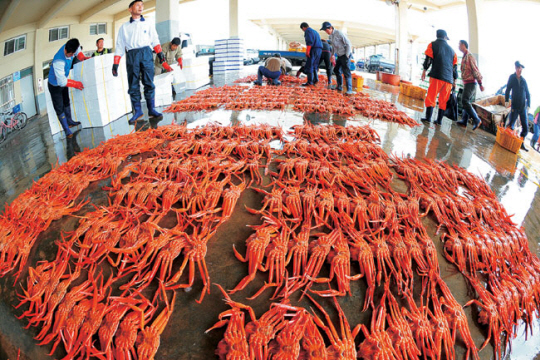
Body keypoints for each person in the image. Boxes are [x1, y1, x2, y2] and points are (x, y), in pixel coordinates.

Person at [112, 0, 173, 125]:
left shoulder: (148, 23)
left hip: (146, 53)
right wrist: (116, 63)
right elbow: (119, 45)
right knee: (133, 84)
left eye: (142, 5)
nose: (141, 7)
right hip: (132, 55)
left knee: (148, 82)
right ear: (130, 9)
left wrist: (160, 53)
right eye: (137, 5)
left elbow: (155, 39)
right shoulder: (124, 27)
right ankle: (138, 111)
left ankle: (151, 109)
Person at [48, 38, 86, 138]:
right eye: (66, 52)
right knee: (59, 107)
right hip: (55, 85)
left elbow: (79, 52)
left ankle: (70, 121)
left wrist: (83, 58)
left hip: (63, 80)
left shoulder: (73, 46)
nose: (66, 54)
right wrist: (75, 84)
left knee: (66, 101)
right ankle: (67, 130)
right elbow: (62, 82)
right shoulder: (58, 61)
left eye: (69, 54)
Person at [420, 29, 458, 125]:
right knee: (443, 100)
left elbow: (428, 59)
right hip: (448, 80)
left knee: (431, 97)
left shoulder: (432, 45)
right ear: (445, 37)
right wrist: (455, 81)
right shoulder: (453, 51)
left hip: (437, 76)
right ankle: (439, 121)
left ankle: (428, 118)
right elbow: (454, 68)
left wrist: (424, 70)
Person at [456, 40, 484, 130]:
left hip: (471, 83)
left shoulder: (470, 56)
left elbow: (475, 70)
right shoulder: (464, 56)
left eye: (459, 44)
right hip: (467, 83)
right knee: (466, 101)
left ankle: (476, 119)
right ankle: (464, 121)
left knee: (465, 101)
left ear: (464, 45)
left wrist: (480, 84)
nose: (458, 46)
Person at [321, 21, 353, 94]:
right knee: (336, 70)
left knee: (346, 72)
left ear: (331, 28)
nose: (326, 32)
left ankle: (349, 90)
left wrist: (347, 56)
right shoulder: (330, 36)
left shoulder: (339, 33)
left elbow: (348, 44)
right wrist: (332, 55)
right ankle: (339, 86)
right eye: (325, 30)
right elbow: (333, 47)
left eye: (327, 30)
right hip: (339, 55)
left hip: (345, 55)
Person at [505, 61, 531, 151]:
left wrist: (529, 105)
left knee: (525, 128)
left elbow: (528, 93)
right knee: (511, 125)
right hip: (515, 106)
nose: (520, 70)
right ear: (515, 68)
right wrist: (506, 100)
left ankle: (521, 144)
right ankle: (508, 143)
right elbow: (507, 89)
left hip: (523, 107)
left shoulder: (524, 81)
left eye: (521, 68)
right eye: (518, 68)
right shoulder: (512, 78)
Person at [300, 22, 322, 86]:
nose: (303, 30)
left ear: (303, 27)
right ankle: (316, 79)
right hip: (319, 50)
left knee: (310, 65)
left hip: (313, 49)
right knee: (315, 65)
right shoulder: (315, 32)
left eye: (302, 29)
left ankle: (310, 82)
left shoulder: (308, 31)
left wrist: (307, 51)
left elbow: (309, 42)